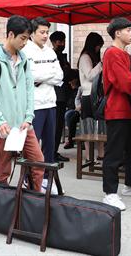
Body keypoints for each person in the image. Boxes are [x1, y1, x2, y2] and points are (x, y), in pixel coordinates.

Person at [0, 15, 44, 188]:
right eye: (22, 38)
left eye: (27, 39)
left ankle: (34, 199)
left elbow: (30, 91)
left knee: (38, 163)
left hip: (23, 125)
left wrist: (29, 117)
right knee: (2, 171)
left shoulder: (24, 60)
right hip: (3, 126)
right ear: (10, 34)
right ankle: (2, 202)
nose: (25, 43)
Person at [101, 17, 131, 211]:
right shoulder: (112, 53)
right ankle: (110, 193)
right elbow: (125, 82)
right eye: (128, 30)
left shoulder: (125, 54)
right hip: (117, 110)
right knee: (114, 153)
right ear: (117, 33)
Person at [23, 17, 63, 190]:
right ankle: (29, 178)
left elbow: (59, 76)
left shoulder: (50, 52)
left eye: (47, 32)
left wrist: (42, 77)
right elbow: (31, 76)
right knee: (32, 146)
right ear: (32, 33)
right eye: (42, 32)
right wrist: (47, 75)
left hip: (51, 103)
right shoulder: (26, 51)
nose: (45, 35)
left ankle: (47, 178)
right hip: (34, 105)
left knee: (50, 144)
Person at [77, 32, 105, 159]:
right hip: (88, 95)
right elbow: (89, 75)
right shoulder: (85, 57)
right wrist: (101, 65)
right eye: (98, 46)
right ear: (93, 44)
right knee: (88, 126)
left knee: (100, 126)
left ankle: (101, 154)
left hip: (96, 95)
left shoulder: (92, 57)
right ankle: (89, 155)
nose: (99, 49)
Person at [50, 30, 71, 162]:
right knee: (55, 126)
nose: (62, 44)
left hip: (63, 95)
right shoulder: (52, 56)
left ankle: (54, 151)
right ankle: (51, 152)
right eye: (59, 41)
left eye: (63, 41)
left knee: (59, 126)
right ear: (53, 42)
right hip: (55, 96)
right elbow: (62, 74)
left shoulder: (62, 56)